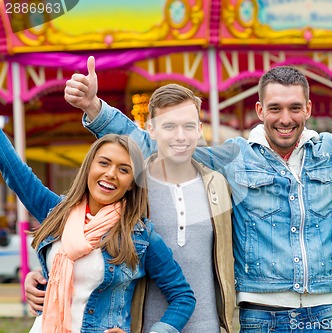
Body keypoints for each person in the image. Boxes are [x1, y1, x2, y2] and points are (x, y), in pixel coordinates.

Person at [57, 3, 332, 330]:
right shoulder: (234, 157)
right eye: (275, 108)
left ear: (307, 108)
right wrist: (98, 109)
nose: (285, 118)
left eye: (294, 108)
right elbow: (160, 147)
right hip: (260, 314)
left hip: (331, 311)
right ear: (259, 109)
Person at [27, 80, 235, 332]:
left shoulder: (220, 184)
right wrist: (46, 274)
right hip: (139, 324)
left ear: (200, 129)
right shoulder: (134, 185)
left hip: (208, 326)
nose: (180, 135)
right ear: (151, 130)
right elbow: (87, 234)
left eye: (188, 126)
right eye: (169, 126)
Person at [0, 131, 196, 333]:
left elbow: (183, 297)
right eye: (104, 163)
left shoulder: (140, 237)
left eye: (123, 169)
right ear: (89, 168)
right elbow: (14, 170)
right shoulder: (55, 212)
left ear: (131, 184)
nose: (111, 173)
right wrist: (39, 279)